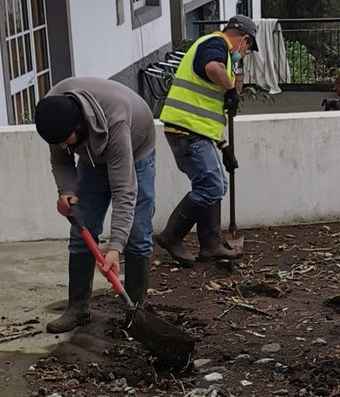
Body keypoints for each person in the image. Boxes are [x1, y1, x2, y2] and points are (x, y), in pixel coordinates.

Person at [34, 77, 156, 334]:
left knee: (136, 234)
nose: (63, 147)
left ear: (80, 123)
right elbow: (61, 162)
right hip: (91, 160)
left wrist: (115, 248)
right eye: (59, 143)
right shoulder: (54, 115)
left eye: (67, 140)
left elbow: (124, 192)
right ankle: (77, 308)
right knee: (82, 228)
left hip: (135, 149)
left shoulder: (116, 120)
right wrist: (66, 191)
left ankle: (135, 312)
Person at [156, 14, 258, 267]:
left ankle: (211, 245)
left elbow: (206, 111)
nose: (243, 54)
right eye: (247, 48)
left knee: (215, 184)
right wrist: (231, 89)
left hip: (194, 131)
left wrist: (224, 148)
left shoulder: (219, 49)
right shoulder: (217, 44)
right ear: (244, 39)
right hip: (186, 131)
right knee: (211, 185)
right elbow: (212, 68)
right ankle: (172, 236)